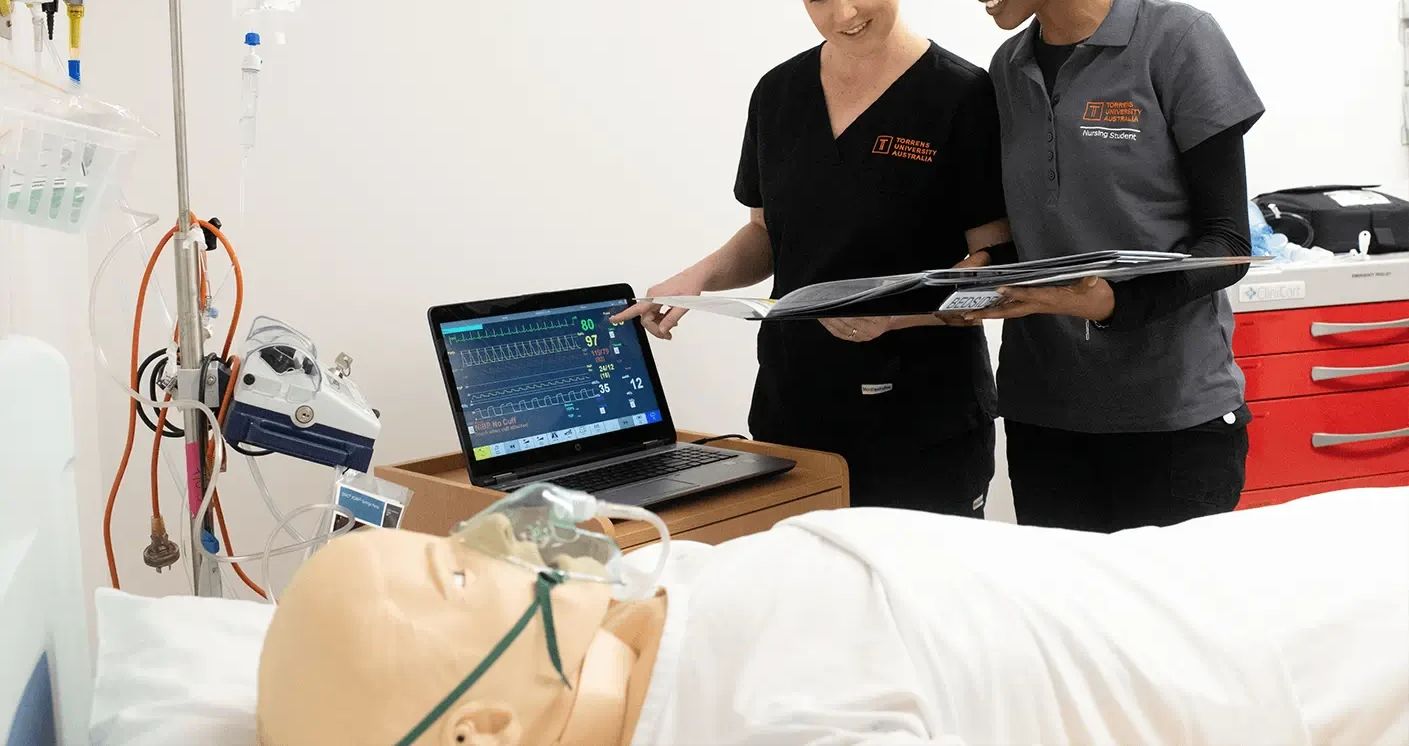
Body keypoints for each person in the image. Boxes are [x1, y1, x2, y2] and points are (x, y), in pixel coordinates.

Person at [256, 485, 1409, 745]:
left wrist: (478, 526)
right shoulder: (764, 722)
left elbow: (552, 535)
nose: (478, 556)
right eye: (451, 580)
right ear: (480, 729)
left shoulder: (640, 610)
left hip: (1200, 573)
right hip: (1280, 666)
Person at [612, 0, 1009, 516]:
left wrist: (899, 315)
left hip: (924, 419)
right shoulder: (779, 94)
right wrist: (689, 284)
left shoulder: (963, 95)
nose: (842, 13)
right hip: (796, 408)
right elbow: (768, 236)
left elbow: (995, 263)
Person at [924, 0, 1264, 533]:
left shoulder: (1177, 40)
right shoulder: (1003, 71)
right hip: (1045, 417)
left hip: (1174, 420)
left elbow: (1226, 246)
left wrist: (1115, 302)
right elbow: (1031, 240)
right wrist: (971, 278)